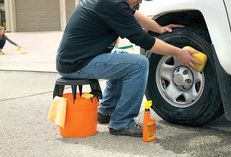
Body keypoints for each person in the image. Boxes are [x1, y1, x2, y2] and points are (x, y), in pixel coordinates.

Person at [56, 0, 201, 137]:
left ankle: (106, 111)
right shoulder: (113, 5)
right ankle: (122, 123)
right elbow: (145, 41)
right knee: (139, 64)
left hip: (73, 61)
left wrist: (159, 28)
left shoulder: (111, 3)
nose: (139, 2)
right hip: (77, 65)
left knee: (123, 56)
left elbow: (134, 14)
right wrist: (180, 53)